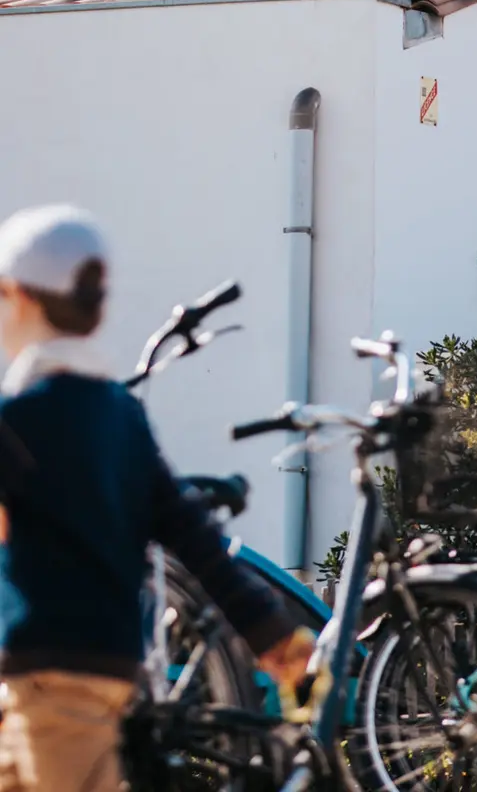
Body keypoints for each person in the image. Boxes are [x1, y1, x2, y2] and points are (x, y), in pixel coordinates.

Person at [0, 205, 312, 792]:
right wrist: (271, 634)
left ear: (19, 298)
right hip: (93, 669)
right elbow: (192, 534)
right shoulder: (120, 415)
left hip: (56, 677)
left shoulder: (18, 419)